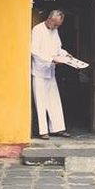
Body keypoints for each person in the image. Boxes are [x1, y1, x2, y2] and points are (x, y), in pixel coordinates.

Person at [31, 10, 71, 140]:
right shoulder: (37, 30)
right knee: (41, 102)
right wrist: (51, 60)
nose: (56, 27)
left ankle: (58, 128)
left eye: (58, 25)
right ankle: (43, 131)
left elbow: (58, 48)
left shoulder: (55, 31)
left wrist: (66, 55)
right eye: (55, 24)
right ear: (49, 19)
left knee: (54, 100)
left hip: (50, 72)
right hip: (39, 71)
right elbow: (34, 51)